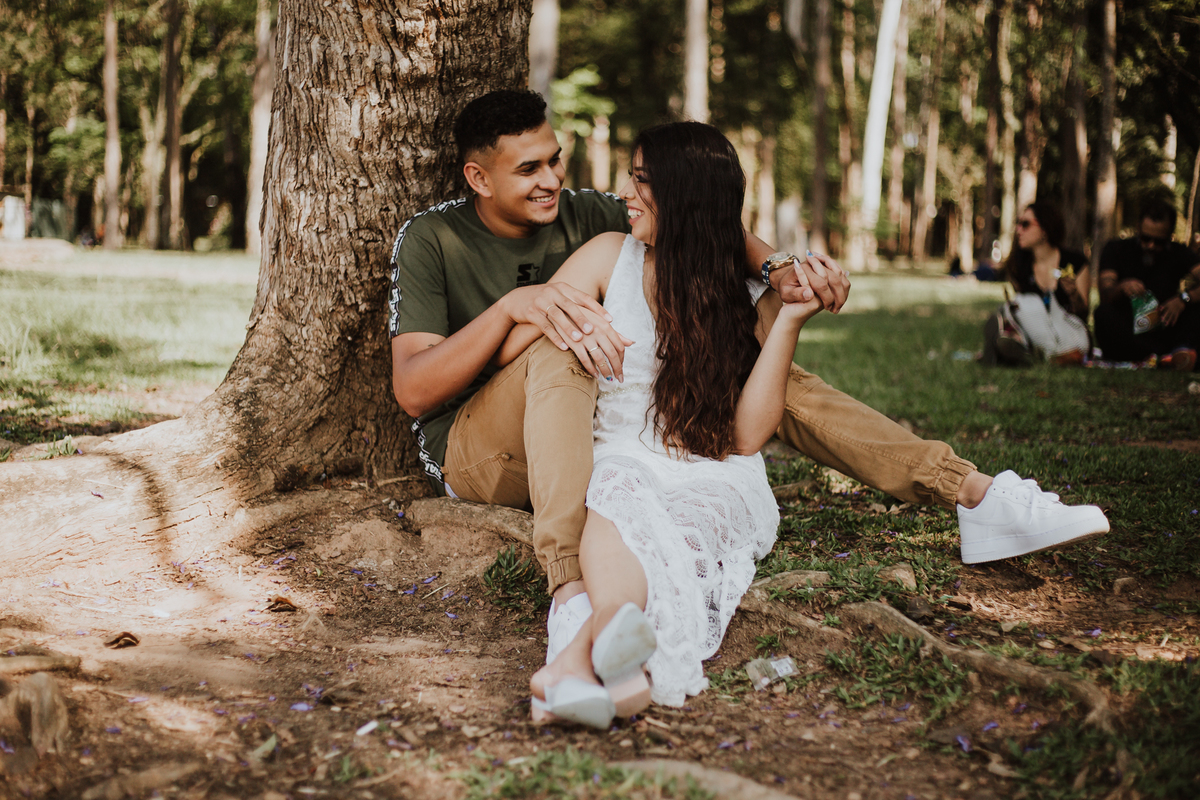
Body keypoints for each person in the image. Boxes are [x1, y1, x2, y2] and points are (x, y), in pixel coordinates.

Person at [387, 89, 1110, 681]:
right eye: (527, 170)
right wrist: (520, 306)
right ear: (479, 179)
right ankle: (570, 588)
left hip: (589, 429)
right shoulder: (434, 239)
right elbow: (416, 391)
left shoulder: (594, 214)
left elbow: (706, 225)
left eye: (555, 160)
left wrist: (778, 274)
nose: (551, 180)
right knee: (561, 344)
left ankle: (972, 492)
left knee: (764, 366)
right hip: (483, 450)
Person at [478, 122, 818, 725]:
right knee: (621, 503)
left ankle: (577, 665)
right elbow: (516, 351)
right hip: (621, 455)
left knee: (672, 537)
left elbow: (744, 437)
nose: (626, 194)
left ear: (684, 197)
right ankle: (610, 661)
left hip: (713, 471)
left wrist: (789, 321)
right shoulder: (609, 256)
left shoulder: (742, 293)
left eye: (641, 181)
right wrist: (553, 317)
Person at [1094, 197, 1200, 371]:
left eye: (1159, 242)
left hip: (1166, 328)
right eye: (1145, 238)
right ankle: (1168, 358)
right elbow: (1106, 294)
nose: (1150, 245)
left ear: (1169, 235)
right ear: (1138, 227)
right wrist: (1122, 287)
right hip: (1129, 330)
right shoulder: (1116, 249)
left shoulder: (1179, 253)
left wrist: (1184, 298)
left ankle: (1177, 354)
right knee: (1103, 314)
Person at [983, 202, 1090, 366]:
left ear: (1045, 230)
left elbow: (1083, 314)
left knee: (1026, 305)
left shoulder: (1075, 263)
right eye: (1018, 224)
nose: (1019, 230)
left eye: (1025, 224)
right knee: (1021, 305)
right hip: (1036, 331)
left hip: (1070, 334)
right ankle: (1020, 346)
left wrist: (1073, 293)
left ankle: (1024, 353)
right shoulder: (1019, 266)